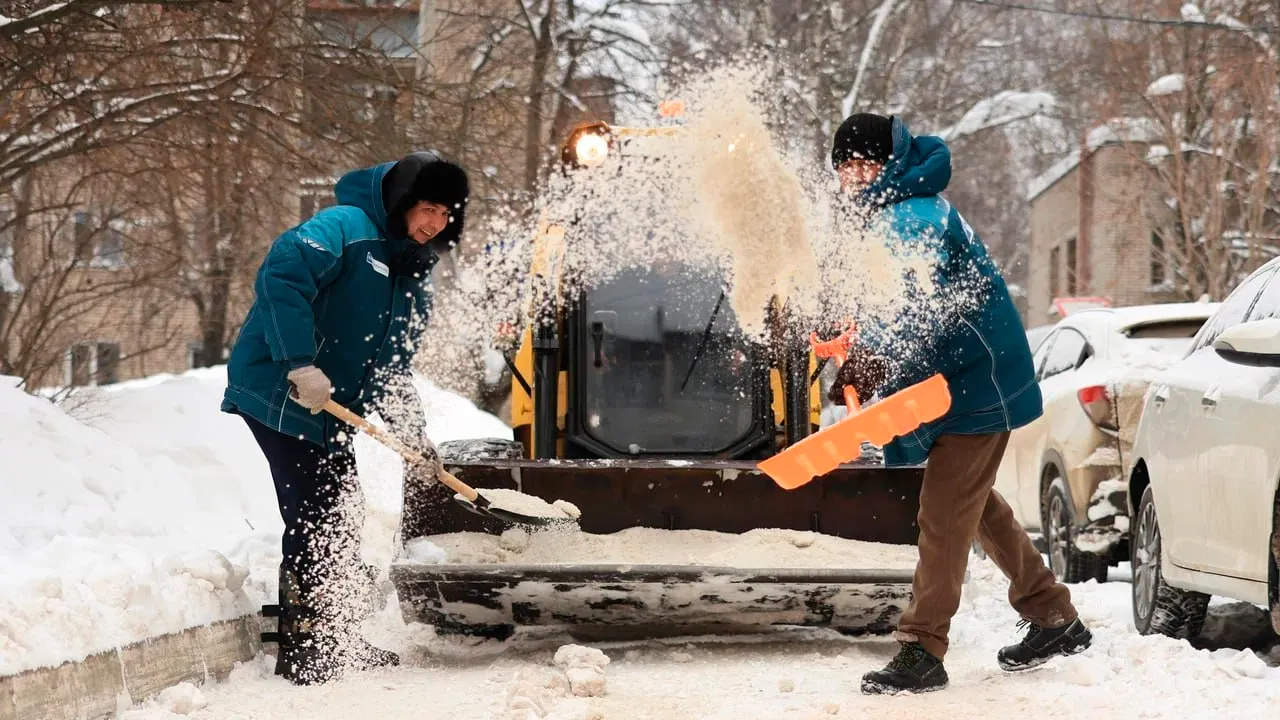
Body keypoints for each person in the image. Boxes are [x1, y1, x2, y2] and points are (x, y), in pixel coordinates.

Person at [827, 113, 1092, 695]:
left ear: (888, 162)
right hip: (959, 378)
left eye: (863, 164)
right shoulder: (899, 210)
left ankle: (922, 647)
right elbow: (887, 297)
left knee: (944, 517)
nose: (853, 177)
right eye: (845, 168)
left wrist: (872, 354)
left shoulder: (912, 215)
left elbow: (911, 303)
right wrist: (854, 337)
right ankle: (1054, 616)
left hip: (977, 380)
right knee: (976, 507)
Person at [221, 151, 469, 685]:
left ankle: (332, 633)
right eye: (426, 208)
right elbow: (282, 273)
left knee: (342, 510)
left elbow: (391, 369)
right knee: (317, 510)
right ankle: (305, 645)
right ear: (403, 202)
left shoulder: (411, 274)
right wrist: (298, 362)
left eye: (445, 215)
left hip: (327, 409)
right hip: (280, 389)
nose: (433, 223)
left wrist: (415, 439)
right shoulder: (347, 227)